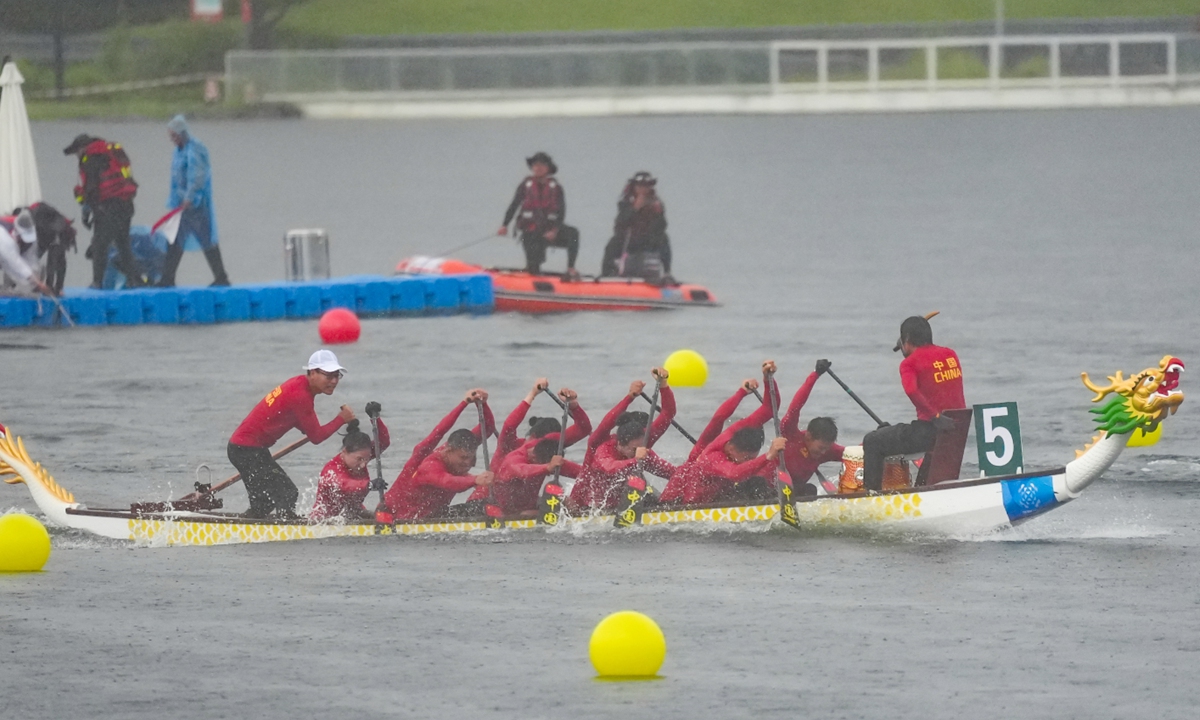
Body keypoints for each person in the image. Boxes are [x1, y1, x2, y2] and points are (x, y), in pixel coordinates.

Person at [227, 349, 356, 519]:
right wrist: (341, 419)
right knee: (287, 493)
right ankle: (285, 536)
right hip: (246, 450)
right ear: (312, 373)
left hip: (246, 448)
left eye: (336, 376)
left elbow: (299, 422)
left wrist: (313, 428)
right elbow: (316, 437)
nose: (333, 381)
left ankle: (253, 531)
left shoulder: (298, 384)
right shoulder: (300, 395)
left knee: (263, 504)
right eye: (328, 376)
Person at [861, 316, 966, 494]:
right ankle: (923, 489)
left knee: (872, 441)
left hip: (929, 431)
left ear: (906, 340)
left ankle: (871, 496)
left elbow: (911, 390)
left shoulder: (909, 363)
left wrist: (935, 416)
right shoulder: (950, 354)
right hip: (956, 430)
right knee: (890, 433)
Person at [468, 385, 591, 516]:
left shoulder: (547, 451)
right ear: (532, 437)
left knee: (565, 501)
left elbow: (583, 430)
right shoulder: (510, 448)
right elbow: (509, 426)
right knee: (527, 513)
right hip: (489, 503)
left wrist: (573, 406)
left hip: (522, 503)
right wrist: (532, 395)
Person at [569, 368, 676, 513]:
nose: (637, 452)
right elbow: (610, 466)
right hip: (592, 505)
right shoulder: (601, 446)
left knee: (664, 489)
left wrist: (663, 384)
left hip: (627, 496)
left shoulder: (643, 442)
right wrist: (630, 396)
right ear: (620, 444)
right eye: (633, 450)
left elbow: (668, 414)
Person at [382, 389, 496, 521]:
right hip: (401, 518)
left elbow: (487, 428)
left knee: (485, 503)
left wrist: (481, 403)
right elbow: (448, 481)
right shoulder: (429, 465)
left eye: (471, 458)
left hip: (432, 515)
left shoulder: (459, 448)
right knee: (481, 508)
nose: (467, 463)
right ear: (448, 451)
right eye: (463, 458)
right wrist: (463, 403)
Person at [660, 371, 771, 504]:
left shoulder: (732, 447)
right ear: (731, 447)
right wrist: (740, 393)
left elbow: (769, 410)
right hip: (679, 503)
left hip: (711, 497)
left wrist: (768, 379)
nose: (747, 463)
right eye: (746, 458)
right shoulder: (712, 454)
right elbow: (718, 419)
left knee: (756, 482)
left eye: (750, 459)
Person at [63, 133, 144, 289]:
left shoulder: (90, 158)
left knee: (100, 244)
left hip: (107, 207)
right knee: (123, 243)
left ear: (81, 149)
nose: (77, 156)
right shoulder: (111, 151)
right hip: (126, 204)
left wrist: (87, 211)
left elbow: (91, 188)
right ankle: (134, 280)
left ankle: (97, 282)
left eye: (76, 153)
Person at [159, 115, 229, 287]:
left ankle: (221, 277)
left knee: (203, 240)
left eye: (173, 136)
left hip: (196, 206)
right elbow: (177, 179)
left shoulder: (194, 149)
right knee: (176, 241)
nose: (172, 140)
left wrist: (189, 198)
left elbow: (197, 176)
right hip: (183, 205)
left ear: (182, 133)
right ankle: (168, 278)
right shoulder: (179, 150)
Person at [498, 152, 580, 279]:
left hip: (549, 231)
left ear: (548, 168)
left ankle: (570, 268)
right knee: (533, 267)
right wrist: (504, 225)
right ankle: (532, 272)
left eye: (542, 165)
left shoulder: (557, 188)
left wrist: (554, 230)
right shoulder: (525, 186)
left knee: (573, 234)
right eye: (535, 165)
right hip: (531, 232)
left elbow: (561, 212)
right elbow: (514, 205)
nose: (538, 168)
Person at [309, 414, 392, 523]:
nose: (363, 465)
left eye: (366, 459)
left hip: (353, 513)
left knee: (390, 514)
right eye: (359, 459)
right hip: (326, 519)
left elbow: (383, 442)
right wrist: (369, 485)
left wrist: (375, 418)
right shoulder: (331, 470)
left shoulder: (359, 457)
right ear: (344, 452)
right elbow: (345, 485)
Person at [780, 360, 844, 494]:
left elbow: (854, 453)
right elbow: (795, 408)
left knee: (810, 490)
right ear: (808, 436)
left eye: (826, 449)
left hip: (793, 490)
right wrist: (815, 375)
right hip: (769, 485)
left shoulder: (827, 450)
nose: (823, 452)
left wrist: (875, 439)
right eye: (821, 448)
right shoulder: (790, 434)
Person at [602, 171, 673, 284]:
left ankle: (667, 272)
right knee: (612, 243)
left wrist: (658, 214)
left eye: (646, 186)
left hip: (647, 239)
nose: (643, 189)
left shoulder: (656, 202)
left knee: (664, 238)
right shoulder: (625, 201)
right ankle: (606, 275)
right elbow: (620, 223)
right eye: (640, 186)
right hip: (629, 239)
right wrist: (634, 208)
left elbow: (662, 226)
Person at [0, 208, 55, 296]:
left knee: (28, 277)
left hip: (8, 254)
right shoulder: (4, 237)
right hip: (4, 252)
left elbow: (31, 258)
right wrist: (37, 282)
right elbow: (15, 262)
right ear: (17, 232)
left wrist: (36, 278)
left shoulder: (31, 237)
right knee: (10, 264)